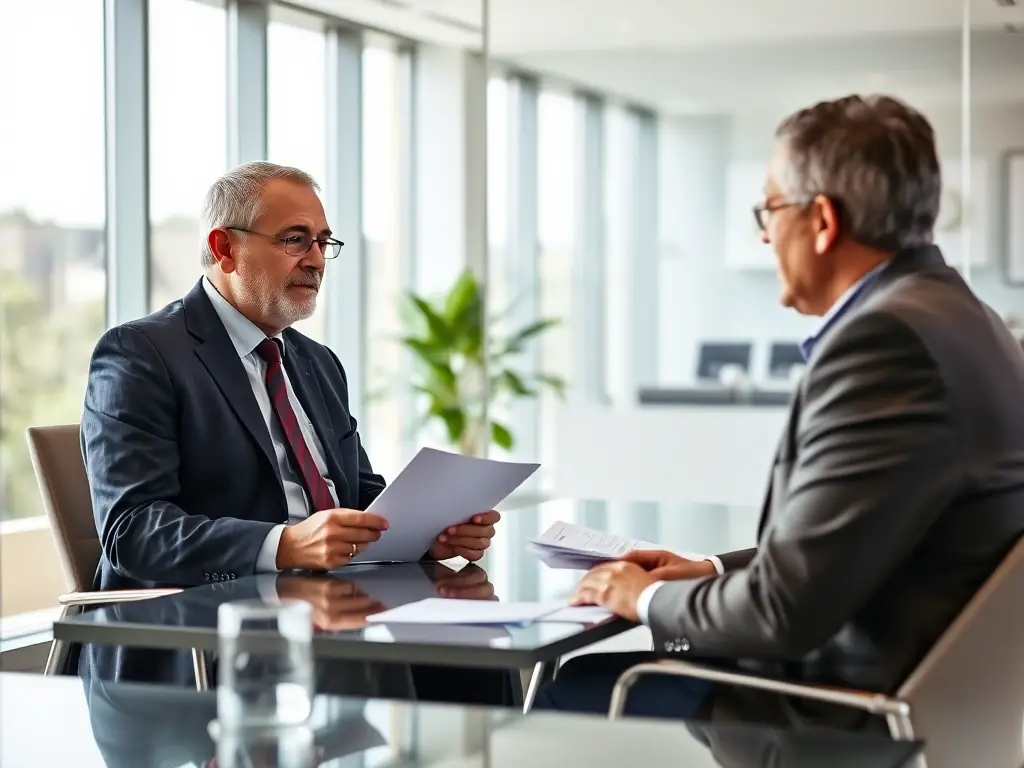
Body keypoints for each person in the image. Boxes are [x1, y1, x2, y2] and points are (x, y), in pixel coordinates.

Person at [533, 95, 1024, 728]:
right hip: (945, 695)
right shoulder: (969, 320)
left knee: (554, 691)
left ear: (821, 220)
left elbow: (785, 613)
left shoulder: (884, 344)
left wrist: (647, 596)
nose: (765, 235)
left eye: (769, 210)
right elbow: (856, 547)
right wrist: (705, 570)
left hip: (836, 710)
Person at [79, 161, 502, 692]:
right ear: (225, 247)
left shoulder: (315, 360)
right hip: (213, 632)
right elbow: (134, 531)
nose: (318, 260)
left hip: (332, 607)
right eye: (295, 240)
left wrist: (429, 531)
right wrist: (282, 545)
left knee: (480, 659)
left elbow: (356, 494)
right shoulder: (141, 354)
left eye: (325, 242)